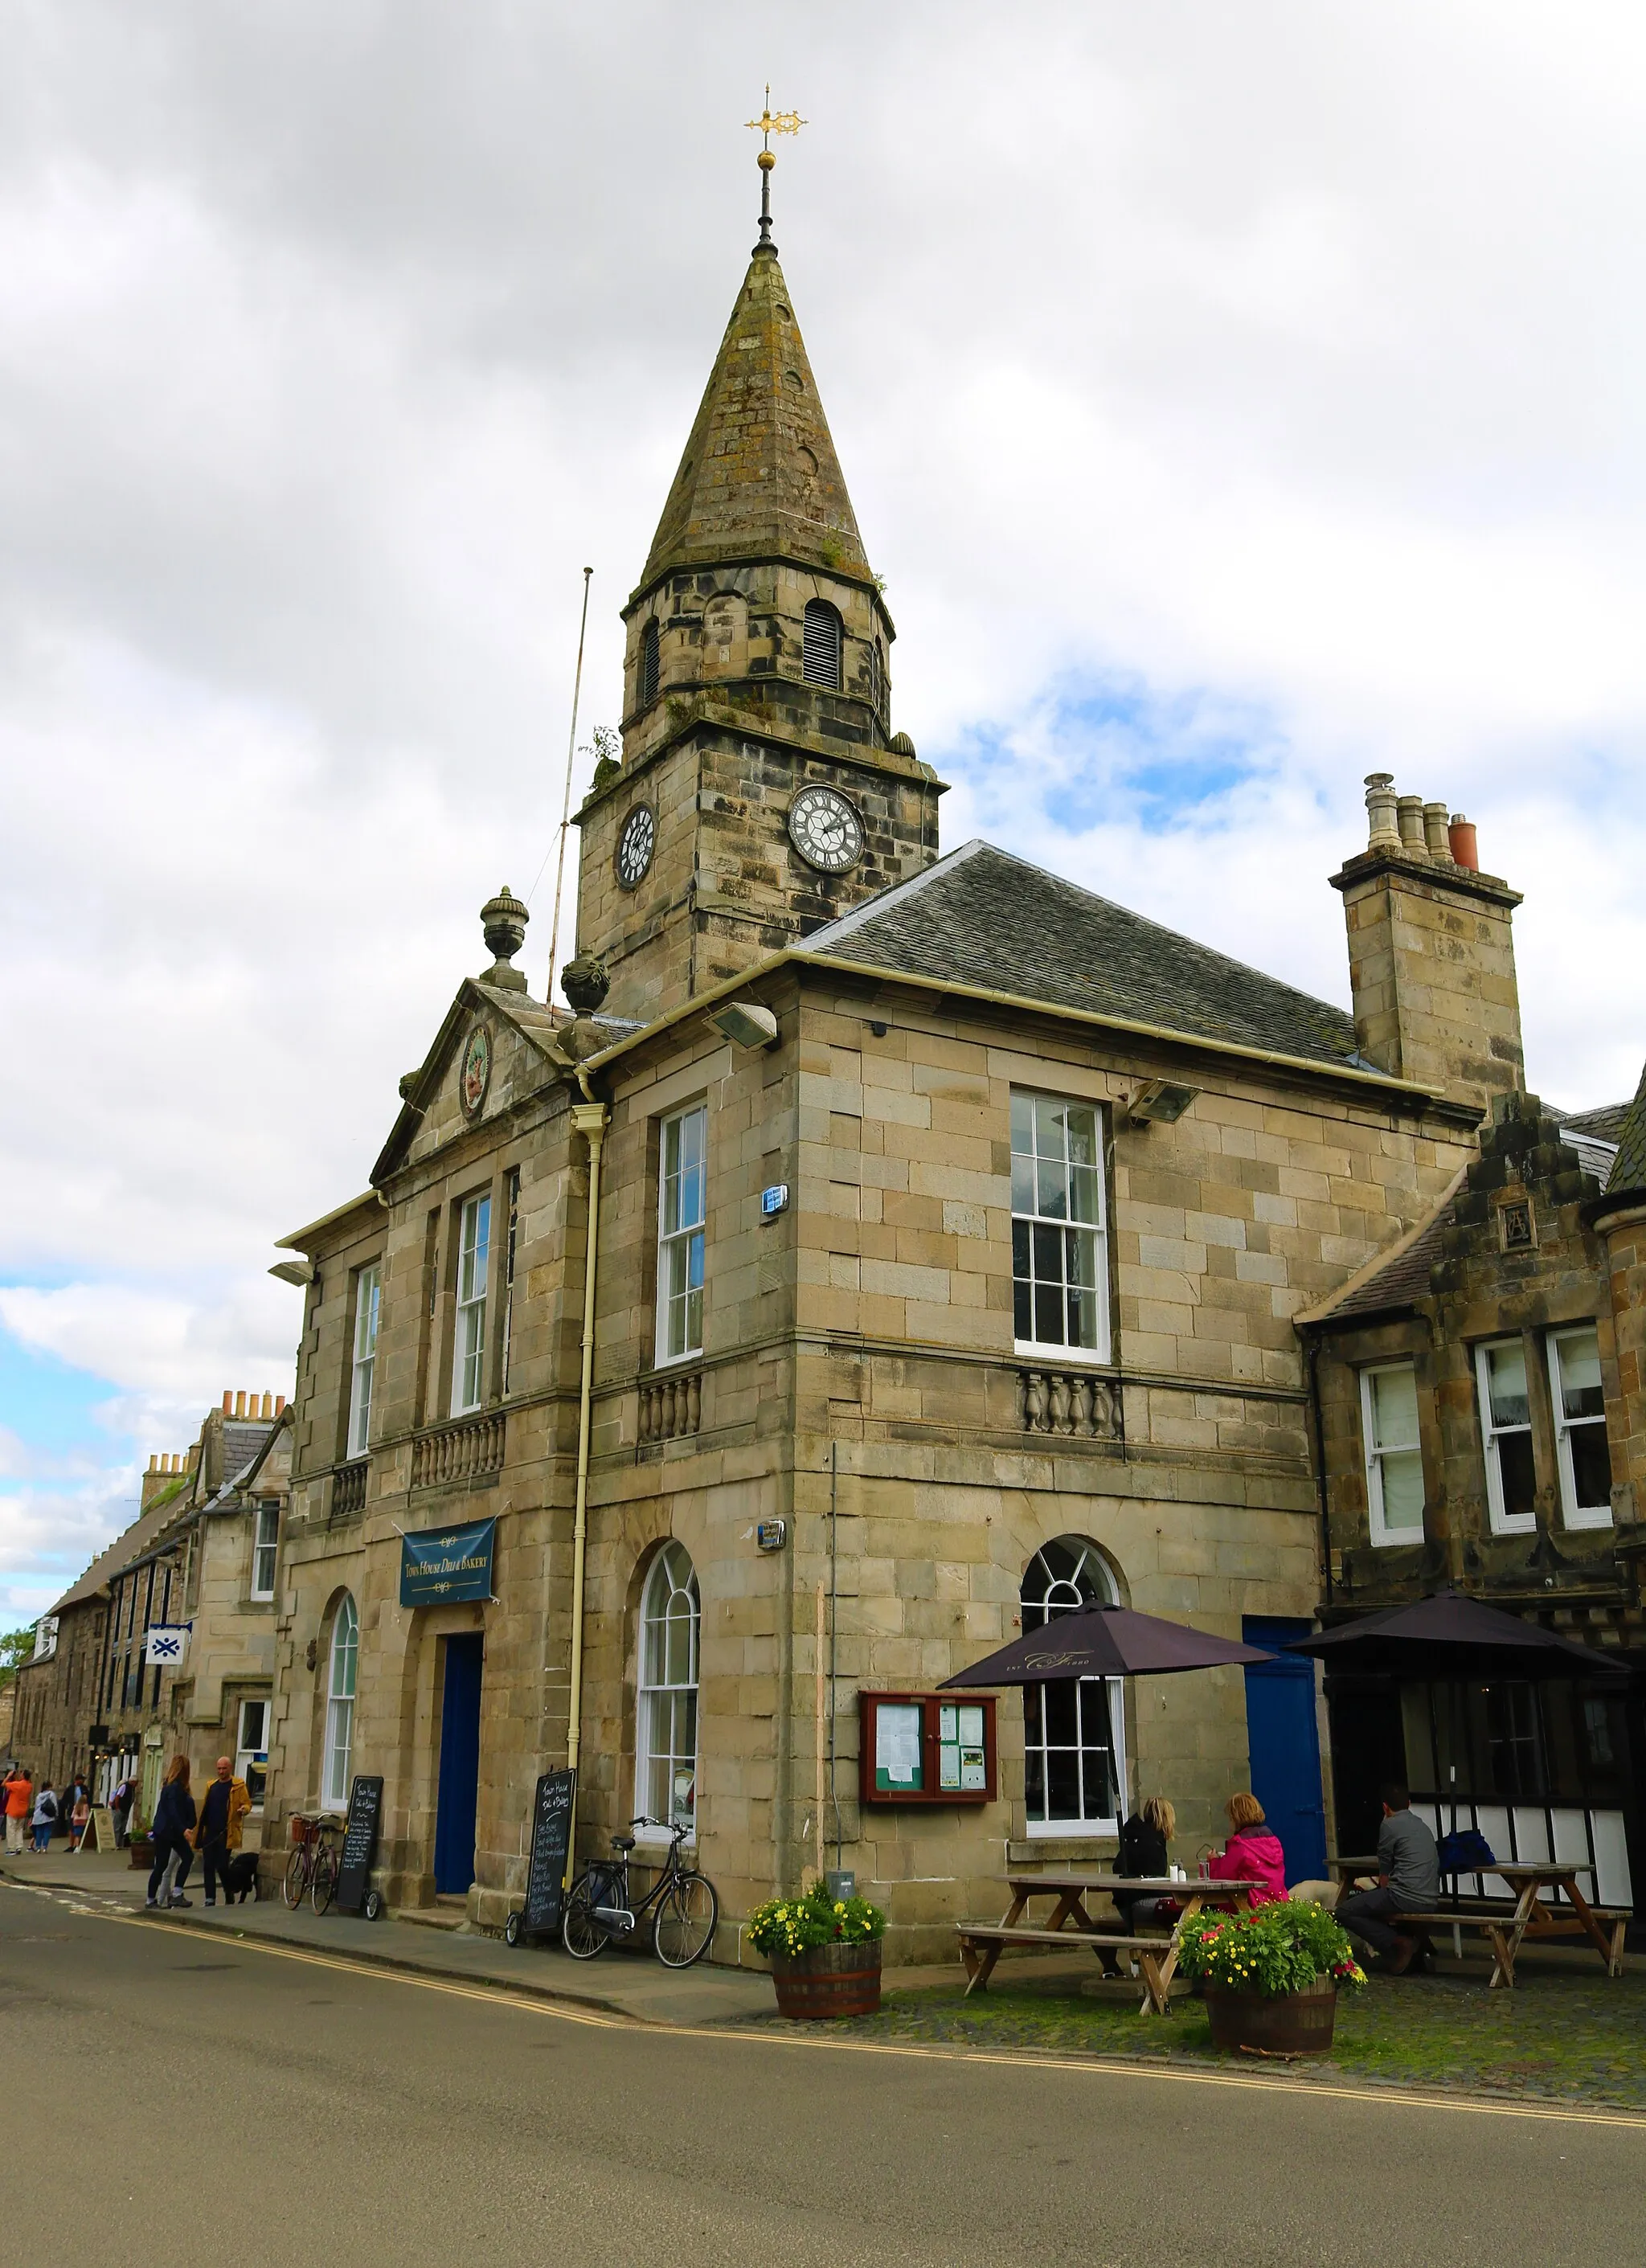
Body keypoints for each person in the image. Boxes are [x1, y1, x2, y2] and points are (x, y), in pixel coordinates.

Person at [1337, 1783, 1440, 1973]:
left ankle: (1399, 1943)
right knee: (1377, 1904)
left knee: (1345, 1911)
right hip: (1431, 1898)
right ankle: (1410, 1951)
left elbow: (1384, 1876)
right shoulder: (1422, 1825)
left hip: (1404, 1896)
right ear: (1409, 1804)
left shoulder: (1389, 1825)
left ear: (1385, 1807)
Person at [1206, 1792, 1288, 1906]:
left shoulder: (1240, 1846)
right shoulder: (1274, 1841)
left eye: (1230, 1818)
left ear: (1236, 1818)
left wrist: (1213, 1861)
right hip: (1278, 1907)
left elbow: (1220, 1878)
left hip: (1250, 1911)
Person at [1112, 1796, 1178, 1930]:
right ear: (1165, 1819)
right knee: (1184, 1910)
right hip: (1137, 1903)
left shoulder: (1138, 1838)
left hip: (1125, 1903)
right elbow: (1151, 1884)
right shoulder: (1150, 1845)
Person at [194, 1755, 252, 1908]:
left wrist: (243, 1810)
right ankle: (210, 1898)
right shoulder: (211, 1785)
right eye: (219, 1768)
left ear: (230, 1768)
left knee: (222, 1866)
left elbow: (247, 1803)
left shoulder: (238, 1786)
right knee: (208, 1866)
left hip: (227, 1832)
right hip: (211, 1831)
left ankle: (229, 1891)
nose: (221, 1771)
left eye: (224, 1768)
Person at [146, 1756, 197, 1910]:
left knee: (187, 1857)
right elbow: (173, 1812)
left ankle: (177, 1894)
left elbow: (183, 1812)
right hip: (166, 1831)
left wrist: (186, 1826)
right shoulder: (173, 1787)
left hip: (173, 1831)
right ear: (184, 1770)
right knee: (161, 1864)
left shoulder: (179, 1787)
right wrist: (184, 1830)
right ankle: (151, 1900)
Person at [5, 1765, 34, 1855]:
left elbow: (4, 1784)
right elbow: (24, 1783)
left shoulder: (17, 1785)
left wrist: (9, 1776)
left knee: (11, 1829)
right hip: (22, 1811)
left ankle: (12, 1848)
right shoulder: (29, 1786)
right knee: (19, 1829)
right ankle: (19, 1847)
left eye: (21, 1774)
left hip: (13, 1809)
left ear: (23, 1776)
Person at [31, 1781, 58, 1853]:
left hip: (38, 1816)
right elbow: (54, 1805)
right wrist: (56, 1814)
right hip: (48, 1816)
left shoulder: (38, 1796)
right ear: (49, 1787)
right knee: (47, 1831)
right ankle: (45, 1847)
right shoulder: (51, 1794)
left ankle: (38, 1847)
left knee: (39, 1831)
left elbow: (36, 1807)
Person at [110, 1775, 135, 1849]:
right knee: (117, 1827)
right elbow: (118, 1796)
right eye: (136, 1782)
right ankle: (115, 1844)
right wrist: (117, 1808)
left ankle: (120, 1844)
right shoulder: (124, 1786)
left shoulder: (132, 1789)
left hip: (126, 1810)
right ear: (133, 1782)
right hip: (120, 1810)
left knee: (123, 1828)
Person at [69, 1786, 91, 1852]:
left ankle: (76, 1847)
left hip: (76, 1821)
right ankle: (78, 1847)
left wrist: (73, 1819)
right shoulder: (86, 1806)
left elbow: (72, 1815)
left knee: (77, 1835)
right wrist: (88, 1818)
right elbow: (87, 1814)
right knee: (80, 1835)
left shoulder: (76, 1806)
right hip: (83, 1821)